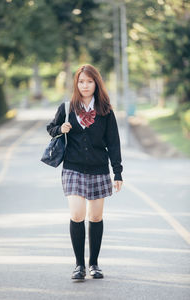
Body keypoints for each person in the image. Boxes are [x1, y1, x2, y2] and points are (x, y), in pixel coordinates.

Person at [47, 64, 123, 281]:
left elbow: (114, 143)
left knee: (96, 216)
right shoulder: (68, 108)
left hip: (99, 168)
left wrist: (117, 172)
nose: (85, 85)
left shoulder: (105, 111)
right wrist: (60, 129)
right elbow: (51, 128)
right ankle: (79, 265)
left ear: (96, 83)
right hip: (73, 168)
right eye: (81, 82)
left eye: (89, 81)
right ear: (76, 84)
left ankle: (94, 264)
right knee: (77, 214)